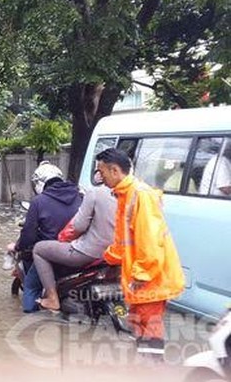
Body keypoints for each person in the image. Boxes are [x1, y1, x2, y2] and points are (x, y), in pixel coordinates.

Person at [95, 148, 185, 357]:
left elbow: (150, 242)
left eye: (102, 172)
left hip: (149, 279)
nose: (100, 177)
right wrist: (109, 257)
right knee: (139, 326)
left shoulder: (139, 196)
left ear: (115, 170)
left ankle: (152, 370)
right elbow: (125, 240)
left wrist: (140, 275)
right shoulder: (126, 195)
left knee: (149, 330)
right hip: (142, 278)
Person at [32, 181, 116, 311]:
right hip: (120, 253)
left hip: (91, 252)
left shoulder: (94, 192)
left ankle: (52, 298)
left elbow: (79, 226)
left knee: (38, 249)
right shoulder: (137, 192)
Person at [10, 161, 81, 312]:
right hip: (80, 251)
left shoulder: (39, 202)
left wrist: (17, 246)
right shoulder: (80, 195)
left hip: (52, 255)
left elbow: (28, 235)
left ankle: (28, 322)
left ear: (39, 183)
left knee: (30, 285)